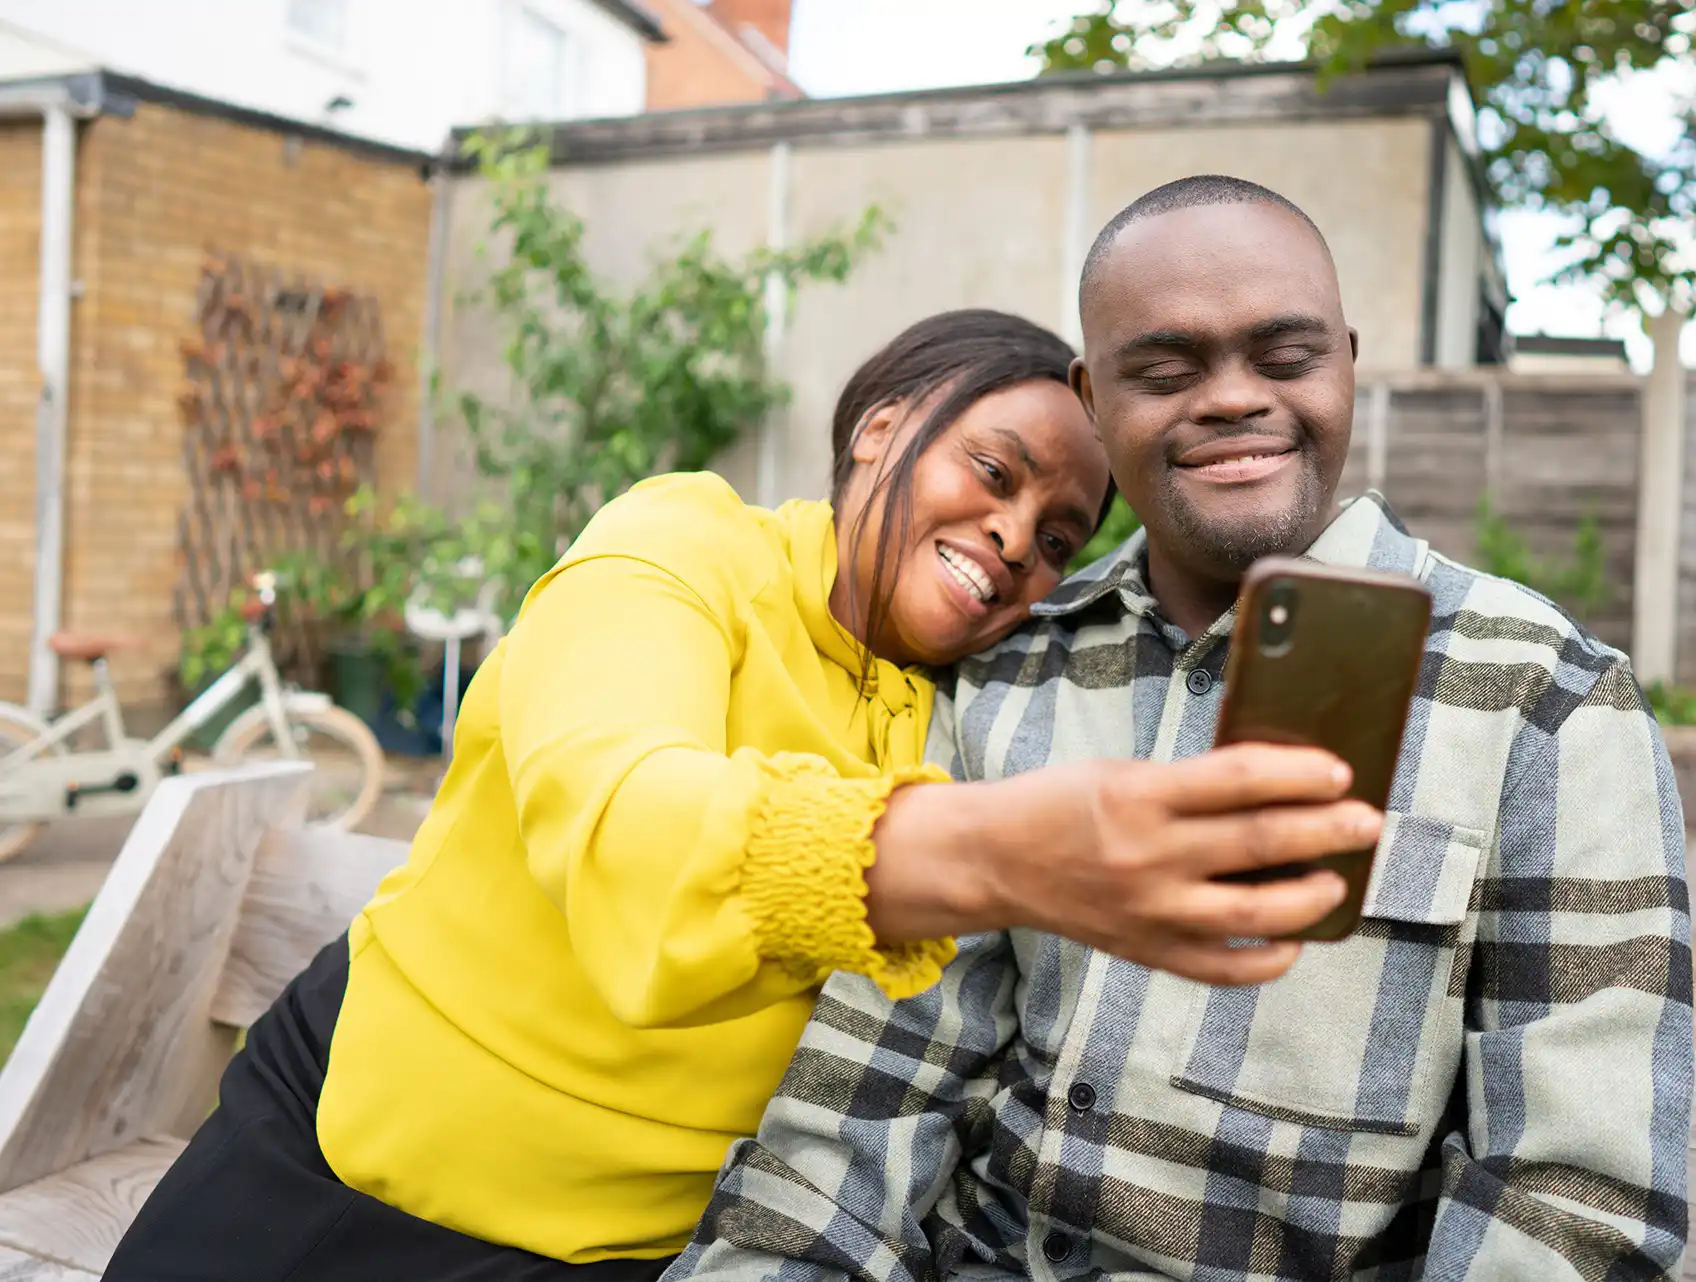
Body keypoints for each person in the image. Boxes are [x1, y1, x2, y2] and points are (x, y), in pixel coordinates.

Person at [105, 308, 1380, 1282]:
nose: (1015, 540)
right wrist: (988, 851)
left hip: (633, 1253)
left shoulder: (973, 716)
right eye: (995, 472)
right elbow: (622, 818)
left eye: (1057, 536)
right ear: (881, 427)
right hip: (336, 1158)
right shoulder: (682, 548)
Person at [671, 178, 1694, 1282]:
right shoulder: (1009, 671)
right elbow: (868, 1096)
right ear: (1093, 398)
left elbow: (1576, 1204)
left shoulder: (1547, 699)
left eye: (1287, 357)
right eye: (1165, 372)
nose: (1233, 400)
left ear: (1347, 364)